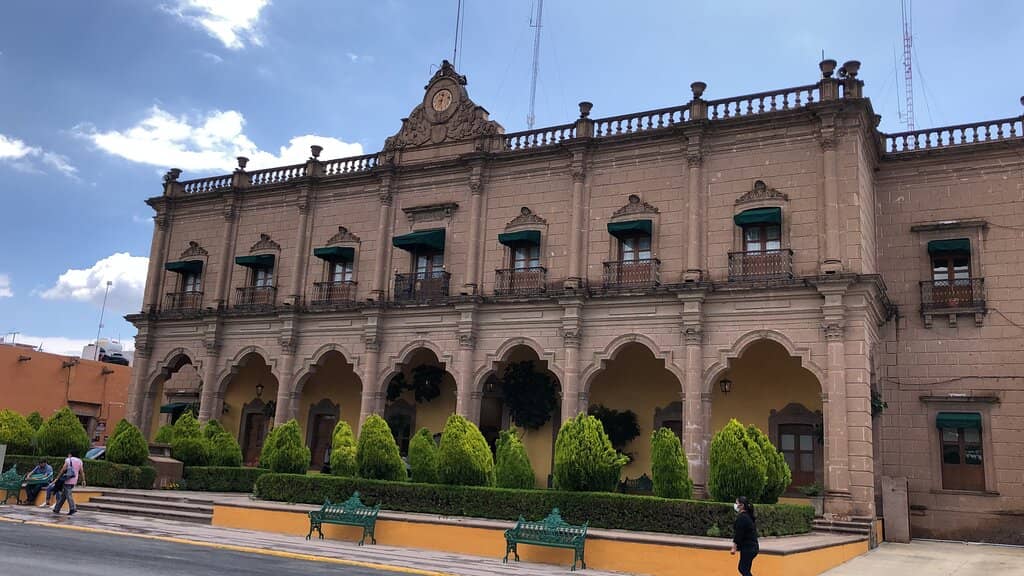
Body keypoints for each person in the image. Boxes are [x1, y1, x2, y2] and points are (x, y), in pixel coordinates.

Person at [730, 495, 759, 576]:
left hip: (749, 548)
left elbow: (739, 533)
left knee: (742, 568)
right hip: (752, 547)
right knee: (745, 569)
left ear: (742, 505)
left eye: (736, 503)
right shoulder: (747, 516)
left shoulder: (743, 517)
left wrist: (734, 547)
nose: (735, 505)